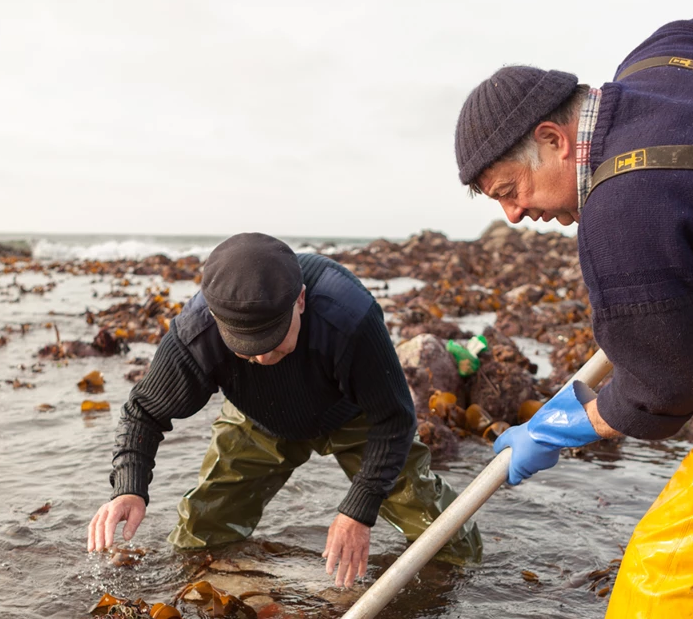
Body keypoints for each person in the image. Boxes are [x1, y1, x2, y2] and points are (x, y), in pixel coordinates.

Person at [454, 5, 693, 619]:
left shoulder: (622, 213)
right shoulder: (664, 58)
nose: (511, 215)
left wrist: (570, 425)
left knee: (666, 587)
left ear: (553, 139)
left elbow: (669, 389)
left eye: (510, 190)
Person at [87, 232, 480, 588]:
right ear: (216, 319)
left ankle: (470, 582)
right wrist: (129, 488)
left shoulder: (349, 316)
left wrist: (358, 511)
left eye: (274, 339)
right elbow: (143, 412)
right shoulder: (197, 334)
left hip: (354, 413)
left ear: (301, 300)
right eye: (246, 344)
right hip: (258, 416)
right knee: (202, 531)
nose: (261, 355)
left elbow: (395, 418)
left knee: (438, 530)